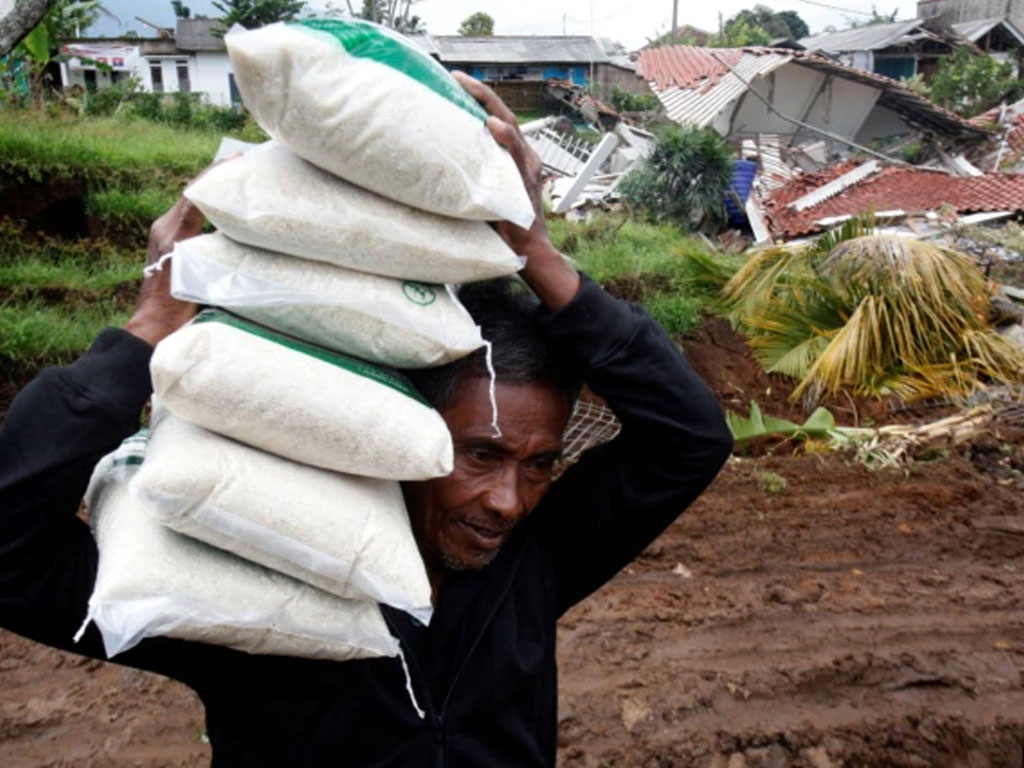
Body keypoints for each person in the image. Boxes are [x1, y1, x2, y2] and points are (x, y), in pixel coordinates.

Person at [0, 75, 733, 766]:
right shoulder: (248, 580)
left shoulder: (533, 560)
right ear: (396, 432)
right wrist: (146, 333)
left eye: (539, 465)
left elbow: (690, 437)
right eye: (480, 455)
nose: (511, 501)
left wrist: (536, 256)